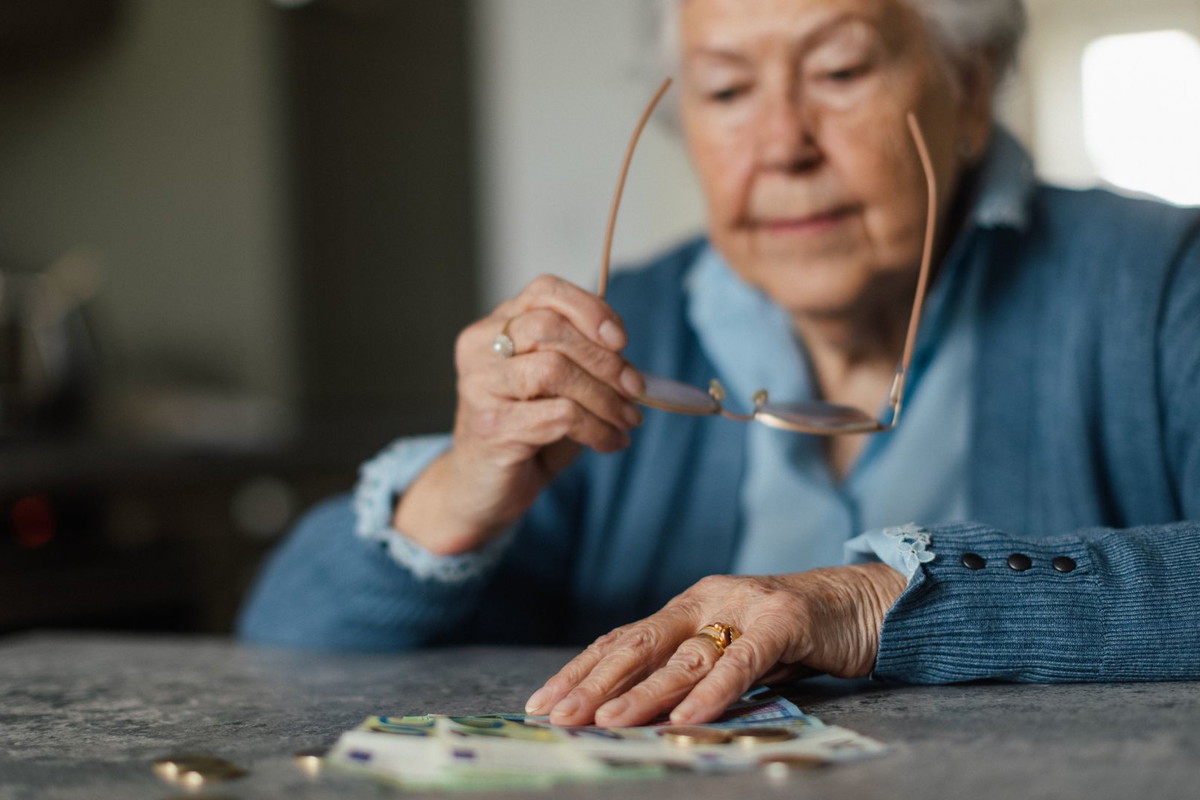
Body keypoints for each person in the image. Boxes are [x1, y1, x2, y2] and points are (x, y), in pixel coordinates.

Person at [238, 0, 1200, 728]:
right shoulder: (622, 333)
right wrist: (457, 492)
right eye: (728, 90)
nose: (782, 146)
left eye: (841, 71)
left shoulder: (1160, 285)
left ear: (971, 92)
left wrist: (866, 602)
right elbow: (282, 651)